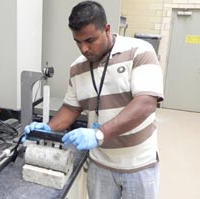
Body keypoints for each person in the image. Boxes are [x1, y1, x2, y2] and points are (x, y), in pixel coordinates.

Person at [24, 1, 163, 199]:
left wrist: (99, 134)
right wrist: (47, 128)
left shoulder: (139, 51)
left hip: (138, 165)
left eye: (90, 40)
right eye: (78, 42)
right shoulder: (77, 68)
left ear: (106, 29)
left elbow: (146, 103)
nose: (84, 48)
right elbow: (71, 109)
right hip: (100, 166)